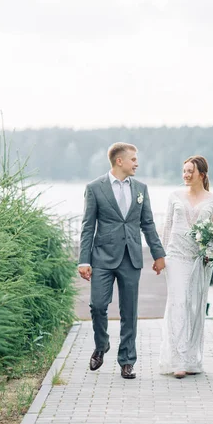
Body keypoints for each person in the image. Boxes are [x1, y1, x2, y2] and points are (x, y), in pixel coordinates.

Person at [78, 142, 166, 379]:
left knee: (130, 311)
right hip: (102, 257)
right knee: (97, 305)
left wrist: (158, 254)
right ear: (120, 161)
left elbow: (147, 223)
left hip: (131, 257)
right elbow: (88, 226)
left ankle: (127, 360)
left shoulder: (141, 188)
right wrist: (83, 260)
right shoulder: (95, 188)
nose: (137, 163)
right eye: (133, 159)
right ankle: (101, 344)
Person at [159, 155, 213, 378]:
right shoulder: (174, 196)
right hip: (175, 256)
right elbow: (167, 226)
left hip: (198, 260)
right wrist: (161, 256)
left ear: (202, 175)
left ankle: (190, 359)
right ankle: (177, 360)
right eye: (184, 171)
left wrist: (211, 254)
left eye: (190, 172)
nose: (186, 175)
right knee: (178, 301)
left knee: (194, 306)